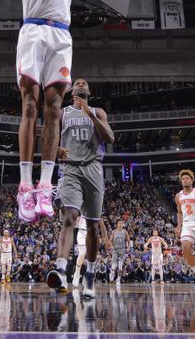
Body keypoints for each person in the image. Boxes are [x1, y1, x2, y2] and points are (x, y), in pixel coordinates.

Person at [16, 0, 93, 223]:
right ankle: (24, 186)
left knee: (53, 111)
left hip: (61, 36)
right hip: (32, 31)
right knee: (29, 105)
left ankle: (46, 185)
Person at [47, 78, 113, 298]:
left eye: (85, 83)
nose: (81, 84)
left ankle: (90, 275)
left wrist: (90, 114)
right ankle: (61, 269)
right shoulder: (62, 113)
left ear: (89, 91)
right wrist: (55, 149)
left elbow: (110, 138)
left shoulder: (98, 111)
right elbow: (48, 138)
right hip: (70, 169)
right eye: (77, 82)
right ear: (71, 90)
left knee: (93, 228)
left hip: (93, 168)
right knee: (69, 218)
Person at [109, 221, 130, 286]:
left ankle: (118, 279)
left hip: (122, 250)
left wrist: (128, 247)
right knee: (114, 265)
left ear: (123, 225)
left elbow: (129, 240)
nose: (121, 224)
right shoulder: (114, 231)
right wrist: (111, 246)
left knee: (120, 266)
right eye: (119, 223)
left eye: (122, 223)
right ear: (117, 224)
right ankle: (112, 276)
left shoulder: (125, 232)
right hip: (115, 249)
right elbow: (110, 240)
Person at [72, 215, 88, 288]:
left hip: (91, 233)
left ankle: (87, 277)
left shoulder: (95, 210)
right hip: (82, 232)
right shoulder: (81, 210)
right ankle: (77, 273)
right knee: (82, 253)